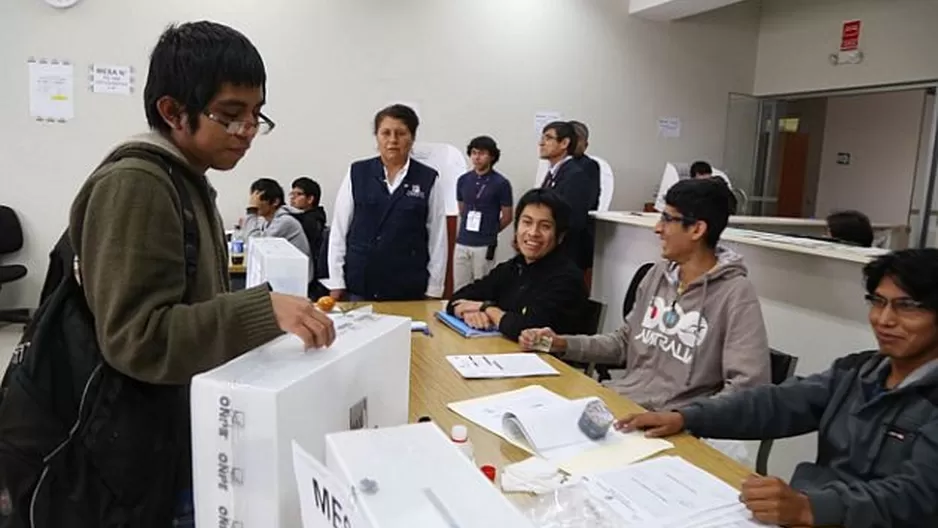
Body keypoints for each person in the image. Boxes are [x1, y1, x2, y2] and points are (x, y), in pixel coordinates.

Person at [0, 22, 335, 527]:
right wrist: (260, 309)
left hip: (160, 436)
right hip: (126, 454)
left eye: (255, 115)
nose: (247, 131)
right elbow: (138, 338)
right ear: (173, 110)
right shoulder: (138, 184)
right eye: (230, 115)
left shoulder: (186, 179)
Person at [619, 248, 938, 528]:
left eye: (907, 306)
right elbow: (777, 403)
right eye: (878, 302)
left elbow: (918, 494)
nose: (884, 319)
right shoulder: (856, 372)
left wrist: (811, 507)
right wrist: (686, 417)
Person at [521, 178, 770, 410]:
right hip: (622, 405)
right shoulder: (657, 275)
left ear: (697, 229)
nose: (658, 228)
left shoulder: (735, 294)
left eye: (667, 218)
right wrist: (562, 343)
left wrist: (686, 418)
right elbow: (624, 343)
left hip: (676, 427)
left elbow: (748, 389)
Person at [327, 104, 447, 301]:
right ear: (377, 137)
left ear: (412, 137)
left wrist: (434, 289)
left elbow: (438, 239)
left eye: (401, 133)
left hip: (407, 286)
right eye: (386, 133)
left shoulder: (428, 179)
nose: (393, 140)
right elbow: (339, 230)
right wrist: (336, 281)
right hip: (360, 283)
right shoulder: (357, 173)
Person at [448, 189, 588, 341]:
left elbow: (529, 330)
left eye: (545, 226)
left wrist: (487, 309)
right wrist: (469, 312)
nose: (533, 232)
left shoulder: (567, 278)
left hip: (549, 361)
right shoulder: (513, 267)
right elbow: (458, 298)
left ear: (560, 236)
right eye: (527, 222)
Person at [453, 135, 513, 291]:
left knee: (482, 286)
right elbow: (462, 209)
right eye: (474, 152)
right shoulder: (463, 180)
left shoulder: (501, 183)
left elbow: (507, 217)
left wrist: (491, 230)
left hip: (484, 244)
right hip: (462, 241)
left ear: (492, 156)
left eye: (482, 153)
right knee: (460, 287)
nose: (477, 157)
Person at [538, 121, 601, 271]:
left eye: (548, 138)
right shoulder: (553, 172)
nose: (541, 143)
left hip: (564, 253)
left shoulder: (576, 174)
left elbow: (575, 220)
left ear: (565, 143)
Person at [243, 178, 314, 273]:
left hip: (295, 280)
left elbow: (256, 245)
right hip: (282, 274)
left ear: (275, 202)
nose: (255, 204)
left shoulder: (285, 222)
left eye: (258, 200)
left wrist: (251, 211)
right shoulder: (267, 221)